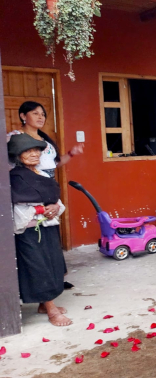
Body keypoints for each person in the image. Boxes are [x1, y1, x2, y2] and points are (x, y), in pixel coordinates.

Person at [8, 101, 84, 290]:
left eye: (43, 114)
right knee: (34, 242)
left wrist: (71, 154)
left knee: (51, 237)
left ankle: (55, 278)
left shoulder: (46, 141)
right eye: (35, 113)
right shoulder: (15, 138)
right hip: (28, 189)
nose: (41, 117)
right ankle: (39, 285)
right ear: (23, 116)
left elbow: (56, 164)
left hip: (47, 187)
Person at [8, 133, 71, 327]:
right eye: (28, 151)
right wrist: (42, 209)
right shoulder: (15, 177)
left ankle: (44, 305)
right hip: (29, 231)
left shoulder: (42, 174)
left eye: (36, 150)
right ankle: (51, 310)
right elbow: (17, 208)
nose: (34, 154)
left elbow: (56, 201)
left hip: (48, 227)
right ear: (18, 155)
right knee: (39, 267)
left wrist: (54, 208)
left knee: (53, 263)